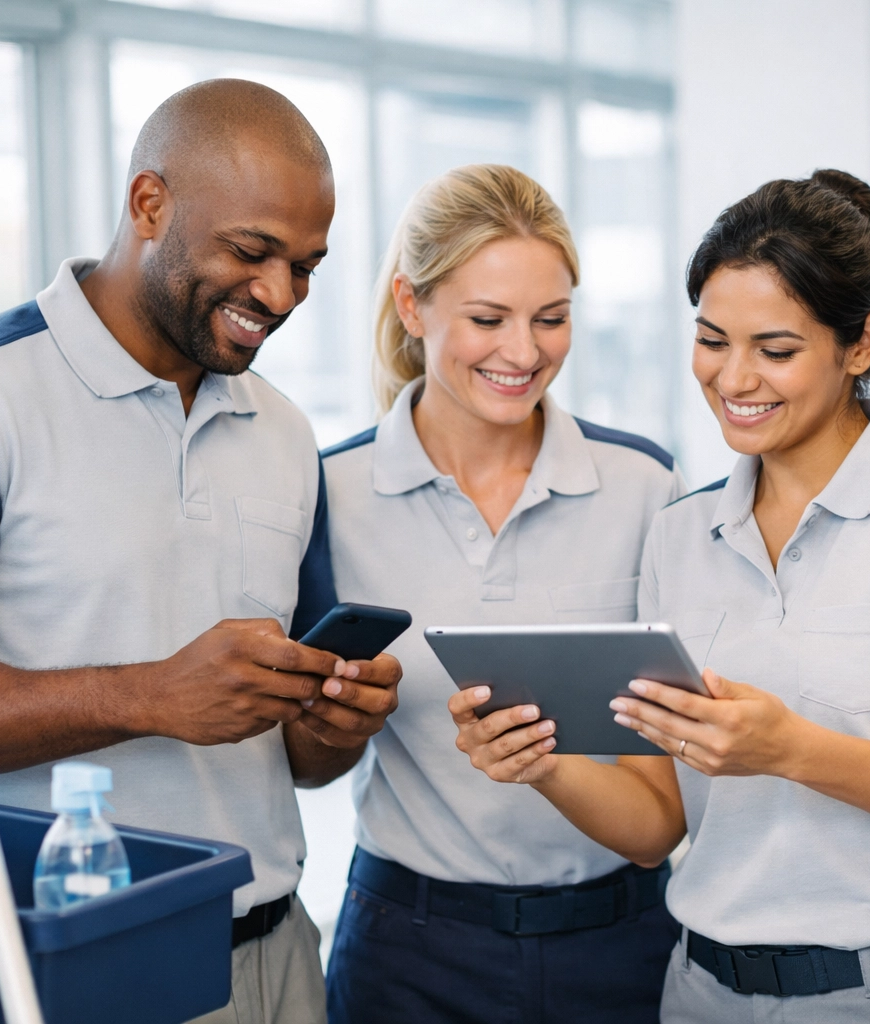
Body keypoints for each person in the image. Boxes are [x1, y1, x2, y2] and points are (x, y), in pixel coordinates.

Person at [454, 168, 870, 1023]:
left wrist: (792, 750)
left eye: (776, 350)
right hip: (706, 994)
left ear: (861, 343)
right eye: (711, 340)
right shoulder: (680, 534)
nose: (735, 378)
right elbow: (657, 818)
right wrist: (543, 762)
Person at [0, 79, 401, 1024]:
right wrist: (146, 695)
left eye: (307, 266)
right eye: (251, 251)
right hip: (64, 969)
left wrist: (332, 722)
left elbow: (299, 760)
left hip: (274, 959)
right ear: (148, 203)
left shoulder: (282, 431)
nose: (279, 296)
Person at [318, 163, 685, 1024]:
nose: (524, 353)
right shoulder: (331, 493)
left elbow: (661, 812)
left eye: (551, 319)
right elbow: (306, 761)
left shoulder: (643, 487)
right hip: (408, 953)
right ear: (413, 307)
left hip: (620, 941)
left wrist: (546, 763)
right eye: (487, 319)